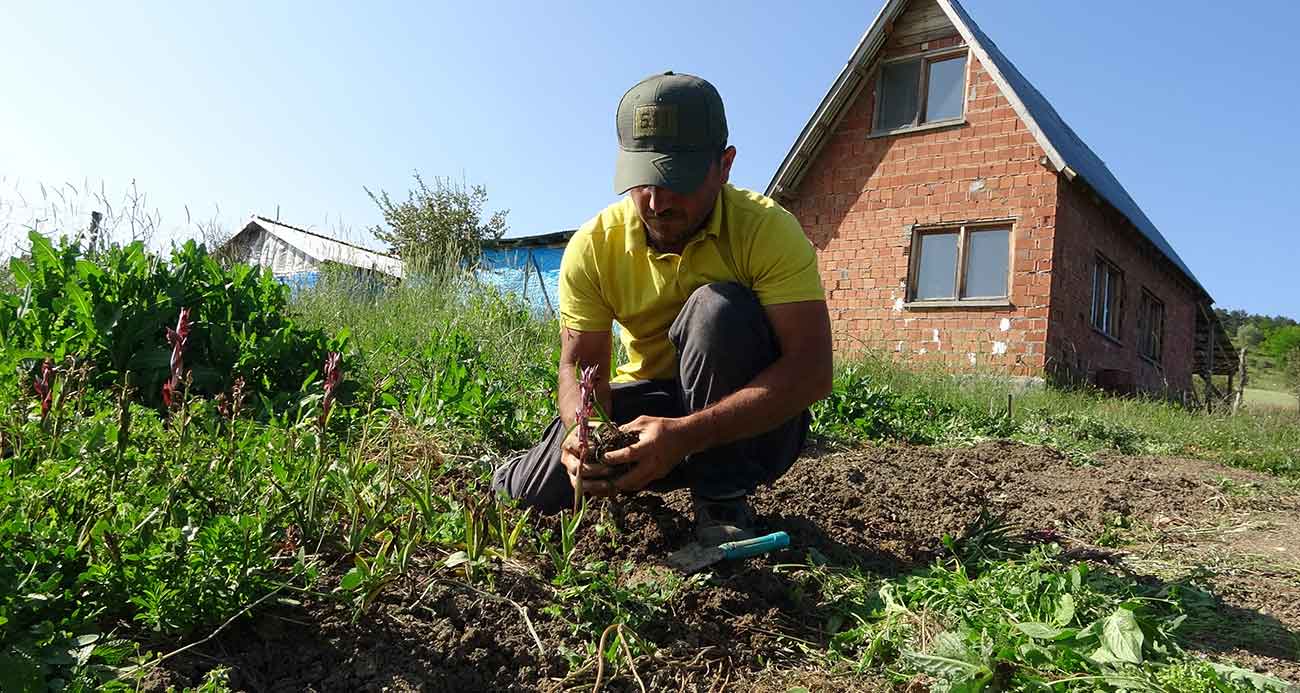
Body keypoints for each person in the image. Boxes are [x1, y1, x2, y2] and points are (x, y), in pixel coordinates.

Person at [492, 71, 832, 545]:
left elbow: (812, 370)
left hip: (747, 424)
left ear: (725, 165)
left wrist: (685, 435)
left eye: (678, 179)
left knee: (716, 309)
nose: (657, 201)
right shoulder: (594, 246)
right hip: (650, 406)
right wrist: (584, 429)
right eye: (643, 180)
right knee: (529, 491)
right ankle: (519, 470)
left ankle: (720, 499)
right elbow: (579, 365)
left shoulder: (766, 230)